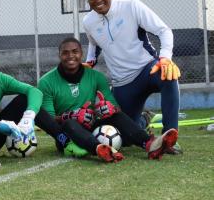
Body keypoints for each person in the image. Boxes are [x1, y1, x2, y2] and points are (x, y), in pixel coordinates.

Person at [82, 0, 182, 154]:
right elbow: (94, 43)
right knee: (124, 138)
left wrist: (165, 57)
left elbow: (163, 30)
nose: (98, 0)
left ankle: (169, 138)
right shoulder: (88, 22)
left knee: (168, 75)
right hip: (122, 83)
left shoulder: (132, 6)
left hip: (147, 69)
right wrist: (90, 61)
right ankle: (143, 120)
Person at [0, 41, 88, 165]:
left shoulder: (0, 79)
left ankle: (65, 142)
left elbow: (34, 91)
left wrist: (29, 117)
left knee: (23, 100)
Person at [38, 38, 178, 162]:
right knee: (69, 123)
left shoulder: (96, 77)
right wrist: (70, 115)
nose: (70, 56)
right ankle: (99, 149)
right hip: (68, 135)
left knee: (115, 115)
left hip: (94, 124)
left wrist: (104, 108)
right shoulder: (46, 82)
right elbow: (49, 122)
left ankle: (150, 144)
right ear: (59, 55)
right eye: (65, 53)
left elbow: (116, 108)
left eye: (75, 51)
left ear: (81, 54)